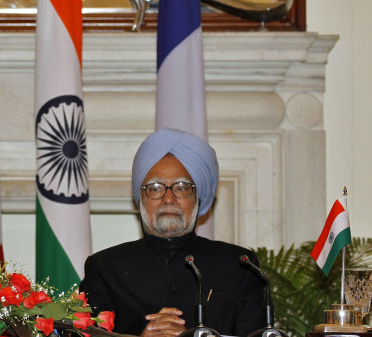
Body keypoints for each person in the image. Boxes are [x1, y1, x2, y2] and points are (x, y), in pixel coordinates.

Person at [80, 128, 264, 337]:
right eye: (156, 187)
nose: (168, 199)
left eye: (182, 187)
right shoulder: (104, 268)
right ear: (140, 198)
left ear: (198, 198)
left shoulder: (239, 266)